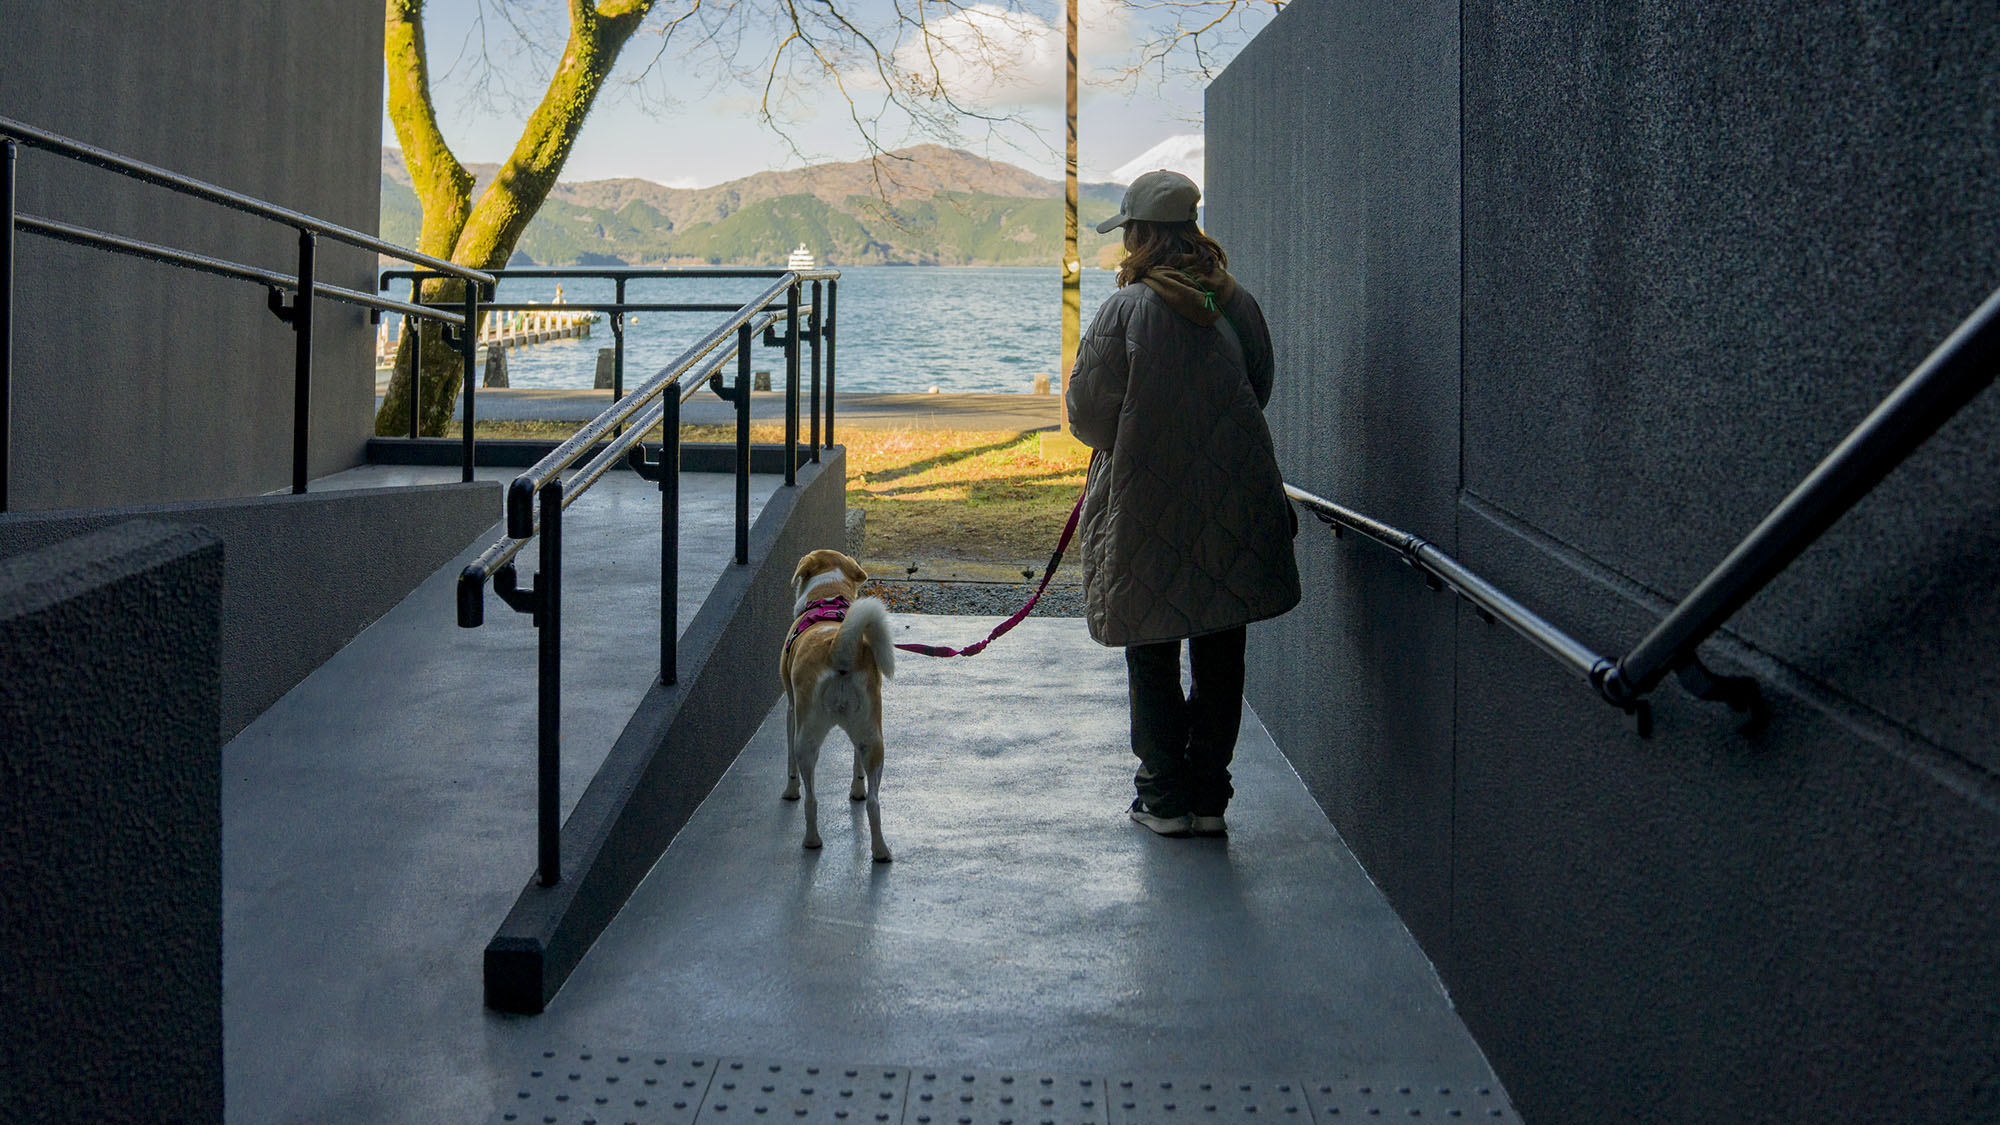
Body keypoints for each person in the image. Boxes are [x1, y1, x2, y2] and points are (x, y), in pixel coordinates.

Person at [1064, 169, 1302, 839]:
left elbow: (1086, 415)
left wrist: (1136, 438)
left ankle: (1162, 796)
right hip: (1235, 498)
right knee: (1222, 646)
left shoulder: (1124, 311)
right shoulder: (1238, 303)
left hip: (1145, 500)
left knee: (1152, 642)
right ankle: (1208, 795)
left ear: (1140, 235)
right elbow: (1259, 385)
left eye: (1127, 234)